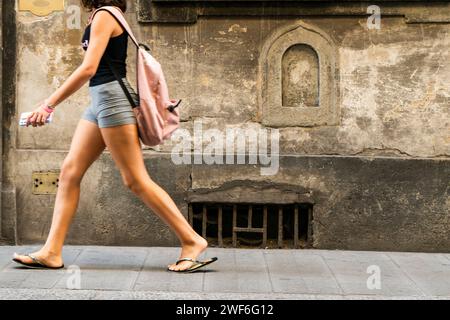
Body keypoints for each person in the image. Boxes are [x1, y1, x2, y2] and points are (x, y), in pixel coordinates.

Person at [12, 0, 217, 273]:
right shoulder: (103, 15)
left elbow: (88, 68)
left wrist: (48, 104)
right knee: (70, 172)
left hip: (111, 100)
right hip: (99, 102)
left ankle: (192, 241)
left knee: (135, 180)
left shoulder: (107, 15)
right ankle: (51, 251)